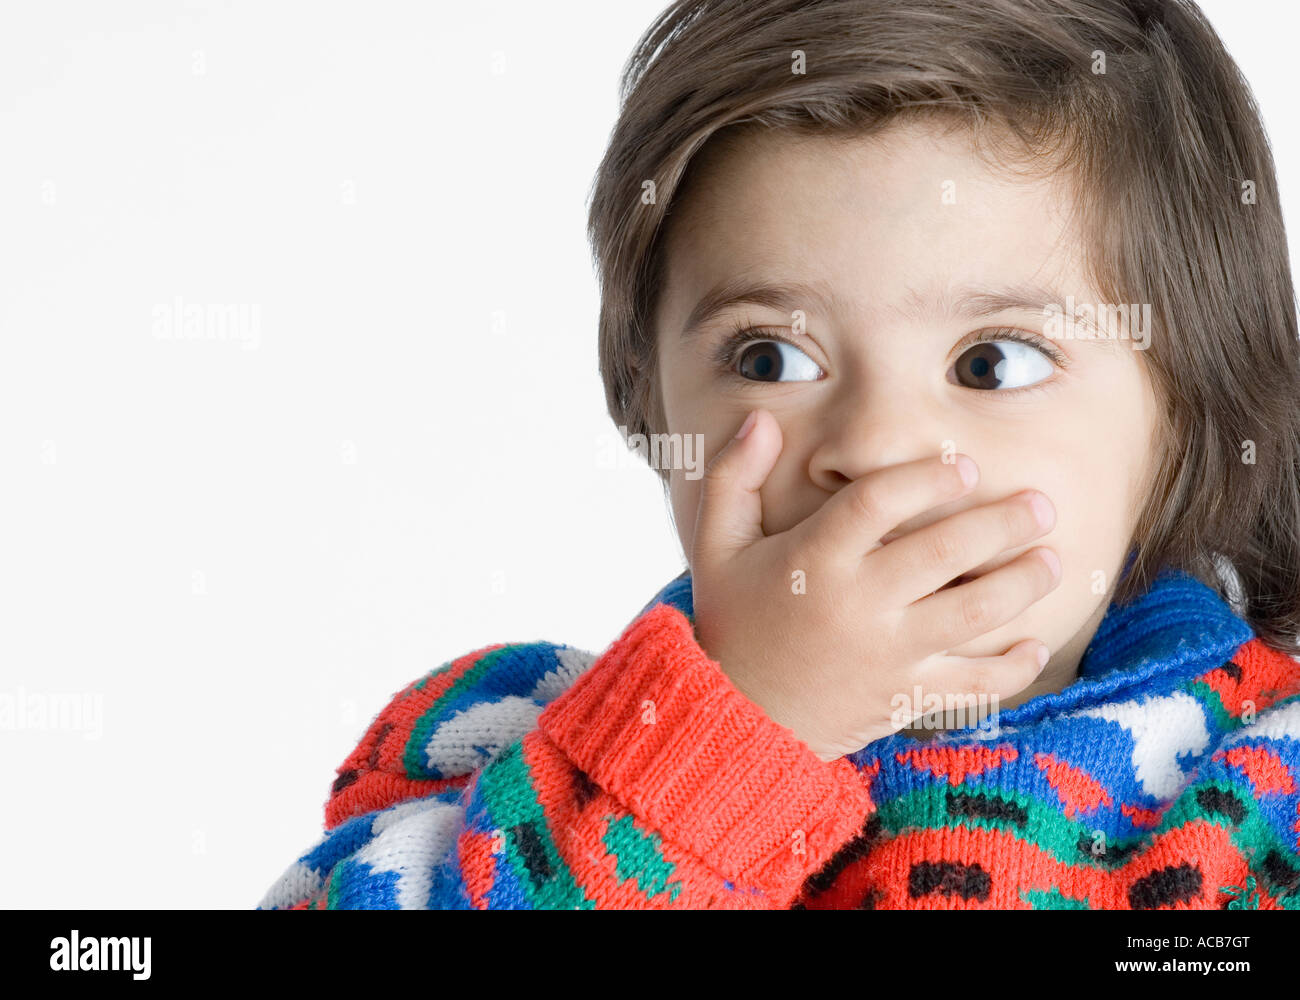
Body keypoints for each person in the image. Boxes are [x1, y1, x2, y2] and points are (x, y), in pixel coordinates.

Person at [259, 0, 1300, 909]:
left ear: (1188, 412)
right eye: (770, 355)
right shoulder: (493, 747)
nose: (871, 446)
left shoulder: (1265, 795)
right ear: (645, 393)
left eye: (991, 363)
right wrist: (716, 743)